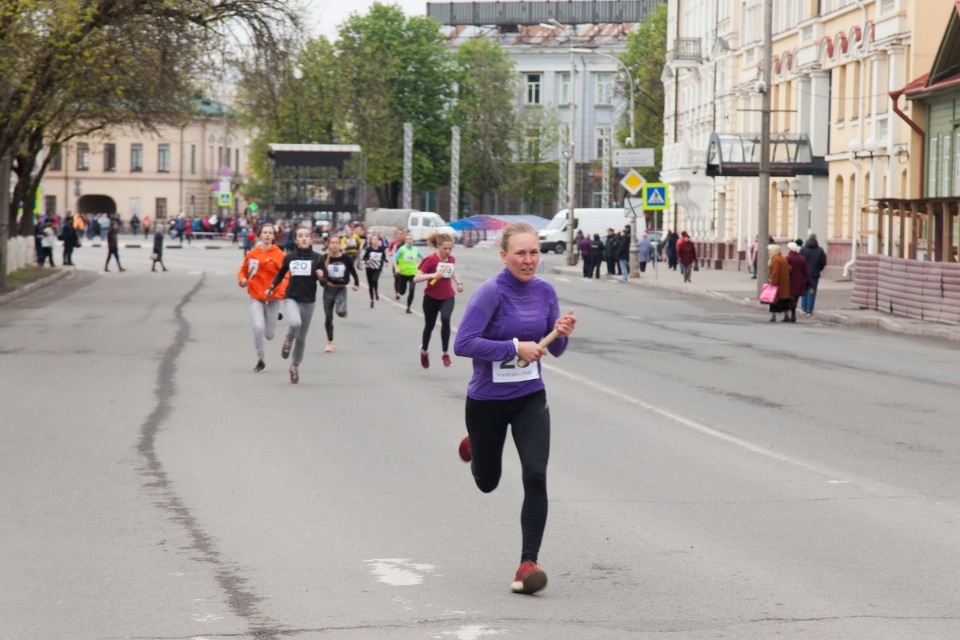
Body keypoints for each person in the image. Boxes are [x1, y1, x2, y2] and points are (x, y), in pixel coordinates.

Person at [453, 222, 577, 595]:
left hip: (529, 396)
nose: (529, 260)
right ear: (504, 255)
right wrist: (513, 347)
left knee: (535, 474)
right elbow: (463, 343)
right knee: (488, 482)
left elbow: (553, 349)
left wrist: (561, 332)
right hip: (487, 401)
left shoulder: (545, 291)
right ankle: (476, 444)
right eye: (521, 253)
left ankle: (528, 563)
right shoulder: (491, 293)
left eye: (534, 252)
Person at [267, 227, 323, 383]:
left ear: (311, 239)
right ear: (296, 240)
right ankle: (287, 340)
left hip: (308, 301)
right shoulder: (290, 257)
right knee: (294, 322)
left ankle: (295, 366)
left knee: (302, 339)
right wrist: (272, 287)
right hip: (291, 297)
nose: (304, 238)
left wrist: (322, 277)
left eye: (306, 236)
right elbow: (280, 274)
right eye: (300, 236)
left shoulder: (318, 258)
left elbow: (324, 283)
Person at [237, 223, 288, 371]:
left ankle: (275, 313)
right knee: (258, 326)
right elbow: (243, 271)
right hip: (256, 296)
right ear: (260, 235)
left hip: (272, 298)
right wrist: (243, 280)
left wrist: (279, 292)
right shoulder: (252, 254)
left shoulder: (279, 255)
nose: (267, 235)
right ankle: (261, 359)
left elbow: (286, 276)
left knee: (270, 335)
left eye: (270, 233)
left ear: (274, 236)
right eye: (264, 233)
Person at [413, 232, 464, 368]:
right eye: (445, 249)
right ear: (438, 246)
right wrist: (433, 275)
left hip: (447, 296)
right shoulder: (430, 260)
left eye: (450, 249)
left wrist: (458, 283)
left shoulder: (451, 259)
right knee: (429, 326)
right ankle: (424, 350)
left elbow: (452, 271)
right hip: (431, 298)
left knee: (446, 319)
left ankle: (445, 353)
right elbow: (416, 278)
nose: (448, 251)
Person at [318, 233, 360, 352]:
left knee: (340, 311)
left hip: (341, 288)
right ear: (329, 245)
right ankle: (330, 342)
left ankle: (343, 311)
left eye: (337, 243)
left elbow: (353, 271)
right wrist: (323, 279)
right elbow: (320, 277)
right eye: (332, 243)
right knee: (328, 318)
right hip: (328, 290)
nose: (335, 245)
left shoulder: (345, 258)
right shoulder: (324, 258)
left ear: (340, 244)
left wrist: (356, 283)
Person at [393, 231, 423, 313]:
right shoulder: (402, 249)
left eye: (411, 239)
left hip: (413, 273)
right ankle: (400, 291)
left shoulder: (415, 250)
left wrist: (422, 268)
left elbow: (424, 259)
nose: (409, 240)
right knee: (402, 292)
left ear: (412, 241)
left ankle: (408, 307)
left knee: (412, 289)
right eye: (407, 239)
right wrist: (396, 268)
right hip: (403, 273)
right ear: (405, 241)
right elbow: (394, 259)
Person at [800, 233, 827, 315]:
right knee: (811, 291)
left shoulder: (803, 249)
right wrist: (819, 269)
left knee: (804, 291)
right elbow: (823, 262)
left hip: (804, 275)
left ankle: (803, 308)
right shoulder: (820, 250)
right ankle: (809, 310)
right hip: (814, 275)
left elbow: (800, 262)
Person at [786, 241, 812, 323]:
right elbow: (806, 271)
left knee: (790, 297)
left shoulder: (787, 258)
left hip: (790, 280)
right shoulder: (802, 258)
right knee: (796, 297)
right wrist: (810, 282)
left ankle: (792, 313)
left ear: (790, 249)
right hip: (800, 280)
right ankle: (793, 314)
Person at [767, 244, 792, 322]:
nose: (769, 252)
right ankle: (786, 315)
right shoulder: (783, 258)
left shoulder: (775, 259)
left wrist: (772, 282)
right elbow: (789, 269)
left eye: (770, 251)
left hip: (778, 284)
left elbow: (775, 272)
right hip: (785, 284)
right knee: (785, 301)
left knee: (774, 301)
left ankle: (773, 316)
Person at [362, 234, 387, 308]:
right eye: (373, 239)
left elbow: (384, 257)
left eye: (376, 239)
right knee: (370, 285)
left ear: (378, 241)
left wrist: (386, 262)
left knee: (374, 280)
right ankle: (372, 300)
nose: (375, 241)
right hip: (369, 268)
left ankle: (376, 291)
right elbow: (364, 258)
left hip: (377, 268)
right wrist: (367, 261)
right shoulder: (369, 249)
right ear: (371, 241)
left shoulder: (381, 249)